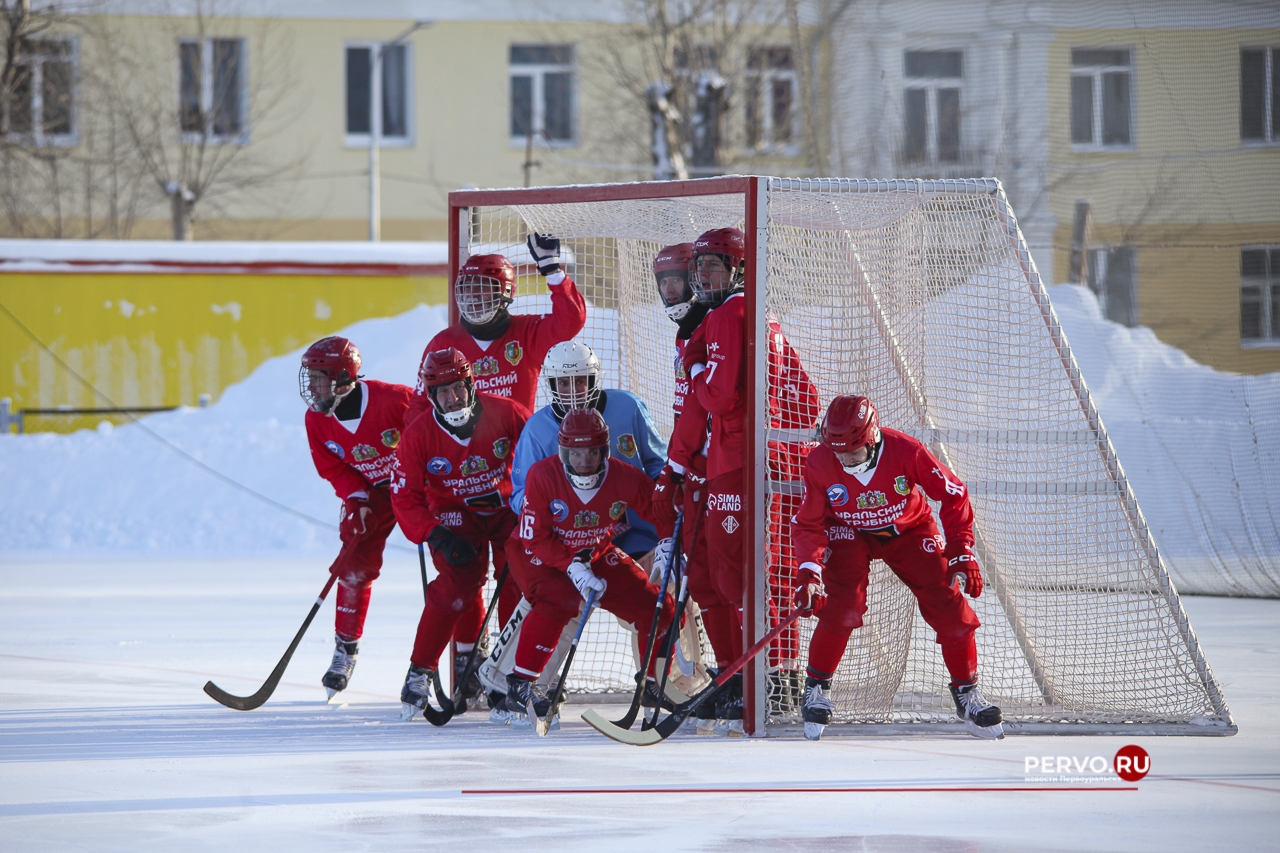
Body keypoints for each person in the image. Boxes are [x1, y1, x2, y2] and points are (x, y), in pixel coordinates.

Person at [790, 395, 1002, 741]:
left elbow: (953, 493)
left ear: (872, 438)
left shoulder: (906, 450)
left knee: (948, 602)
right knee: (843, 606)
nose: (844, 460)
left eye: (853, 453)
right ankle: (815, 689)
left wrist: (961, 548)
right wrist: (808, 572)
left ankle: (967, 695)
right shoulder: (819, 462)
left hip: (909, 529)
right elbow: (809, 522)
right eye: (838, 453)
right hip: (850, 531)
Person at [678, 227, 820, 731]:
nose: (702, 277)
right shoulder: (767, 317)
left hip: (737, 464)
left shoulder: (726, 315)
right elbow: (807, 398)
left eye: (713, 266)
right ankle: (780, 679)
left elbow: (716, 398)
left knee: (733, 576)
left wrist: (695, 370)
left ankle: (747, 681)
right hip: (778, 461)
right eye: (698, 267)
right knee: (771, 570)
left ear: (739, 269)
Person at [505, 409, 676, 725]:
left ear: (605, 450)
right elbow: (535, 537)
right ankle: (520, 683)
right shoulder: (543, 475)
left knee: (659, 605)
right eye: (575, 452)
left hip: (593, 553)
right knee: (561, 599)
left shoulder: (624, 476)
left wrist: (668, 544)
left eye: (592, 451)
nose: (584, 460)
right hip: (538, 552)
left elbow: (662, 513)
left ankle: (649, 684)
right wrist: (571, 567)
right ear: (563, 452)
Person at [389, 347, 530, 719]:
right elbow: (404, 495)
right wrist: (433, 533)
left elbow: (542, 459)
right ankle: (419, 672)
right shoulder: (419, 434)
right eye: (442, 392)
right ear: (431, 395)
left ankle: (509, 673)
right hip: (454, 513)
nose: (452, 398)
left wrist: (536, 506)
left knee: (519, 578)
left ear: (470, 384)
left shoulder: (507, 412)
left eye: (457, 388)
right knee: (457, 583)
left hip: (505, 509)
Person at [300, 336, 412, 698]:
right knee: (353, 563)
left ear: (342, 378)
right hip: (373, 494)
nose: (311, 387)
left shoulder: (395, 399)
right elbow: (333, 467)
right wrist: (357, 497)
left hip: (415, 487)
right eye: (310, 378)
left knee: (455, 560)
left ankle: (467, 652)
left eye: (318, 379)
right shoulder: (316, 419)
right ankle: (345, 649)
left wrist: (420, 480)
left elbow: (429, 433)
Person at [509, 339, 668, 563]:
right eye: (563, 383)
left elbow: (658, 463)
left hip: (640, 536)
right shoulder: (536, 430)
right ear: (551, 384)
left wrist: (664, 496)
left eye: (580, 381)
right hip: (573, 547)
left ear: (593, 380)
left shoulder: (629, 407)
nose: (572, 391)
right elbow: (520, 497)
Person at [408, 234, 586, 423]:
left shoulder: (526, 332)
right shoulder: (444, 343)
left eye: (482, 287)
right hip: (463, 441)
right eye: (467, 288)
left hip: (516, 439)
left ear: (505, 291)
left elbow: (571, 318)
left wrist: (551, 269)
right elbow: (419, 406)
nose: (472, 296)